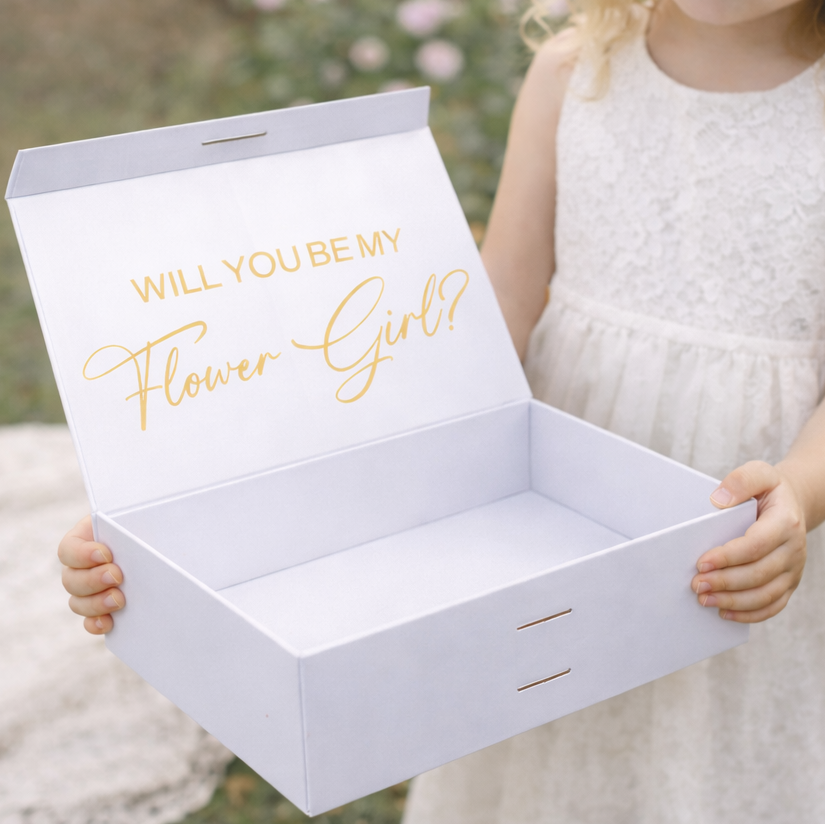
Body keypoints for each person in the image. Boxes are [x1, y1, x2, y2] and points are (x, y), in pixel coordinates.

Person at [59, 0, 825, 820]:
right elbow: (492, 312)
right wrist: (181, 512)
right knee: (546, 715)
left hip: (743, 522)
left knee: (711, 759)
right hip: (548, 525)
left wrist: (796, 494)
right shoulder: (575, 71)